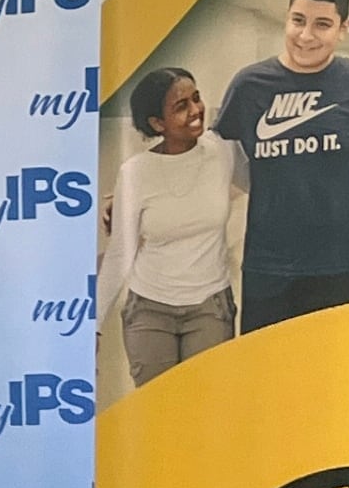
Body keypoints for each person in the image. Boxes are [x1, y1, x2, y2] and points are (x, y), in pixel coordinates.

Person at [214, 0, 349, 330]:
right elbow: (204, 162)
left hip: (343, 265)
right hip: (271, 270)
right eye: (297, 20)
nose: (306, 36)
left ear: (343, 28)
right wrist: (136, 191)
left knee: (343, 378)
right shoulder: (249, 86)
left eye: (322, 24)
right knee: (273, 380)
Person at [96, 67, 245, 385]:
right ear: (157, 123)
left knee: (206, 408)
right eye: (181, 106)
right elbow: (120, 252)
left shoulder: (222, 150)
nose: (196, 110)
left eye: (197, 98)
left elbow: (264, 175)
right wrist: (93, 325)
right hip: (150, 311)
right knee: (157, 411)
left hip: (210, 308)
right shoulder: (136, 172)